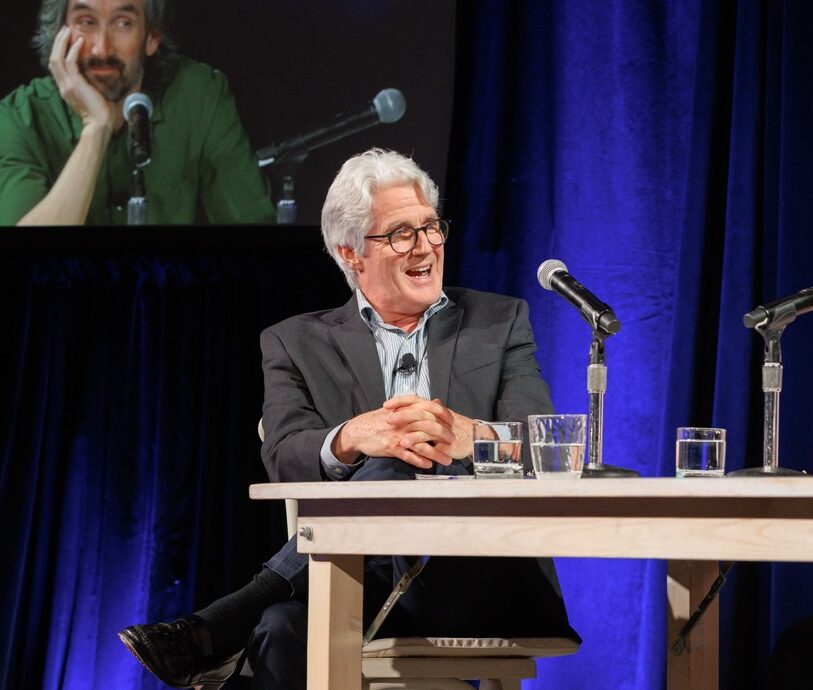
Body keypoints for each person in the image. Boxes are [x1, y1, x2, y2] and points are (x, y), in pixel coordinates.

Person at [118, 148, 580, 689]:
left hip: (480, 577)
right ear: (351, 252)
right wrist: (350, 440)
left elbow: (552, 451)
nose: (426, 245)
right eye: (400, 234)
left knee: (393, 463)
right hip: (352, 584)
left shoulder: (499, 322)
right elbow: (284, 454)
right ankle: (252, 613)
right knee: (280, 626)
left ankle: (224, 621)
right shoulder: (294, 342)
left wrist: (468, 437)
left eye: (432, 227)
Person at [0, 0, 274, 225]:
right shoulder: (19, 119)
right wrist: (96, 128)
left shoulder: (200, 95)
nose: (101, 48)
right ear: (60, 33)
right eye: (86, 22)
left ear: (152, 37)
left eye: (123, 23)